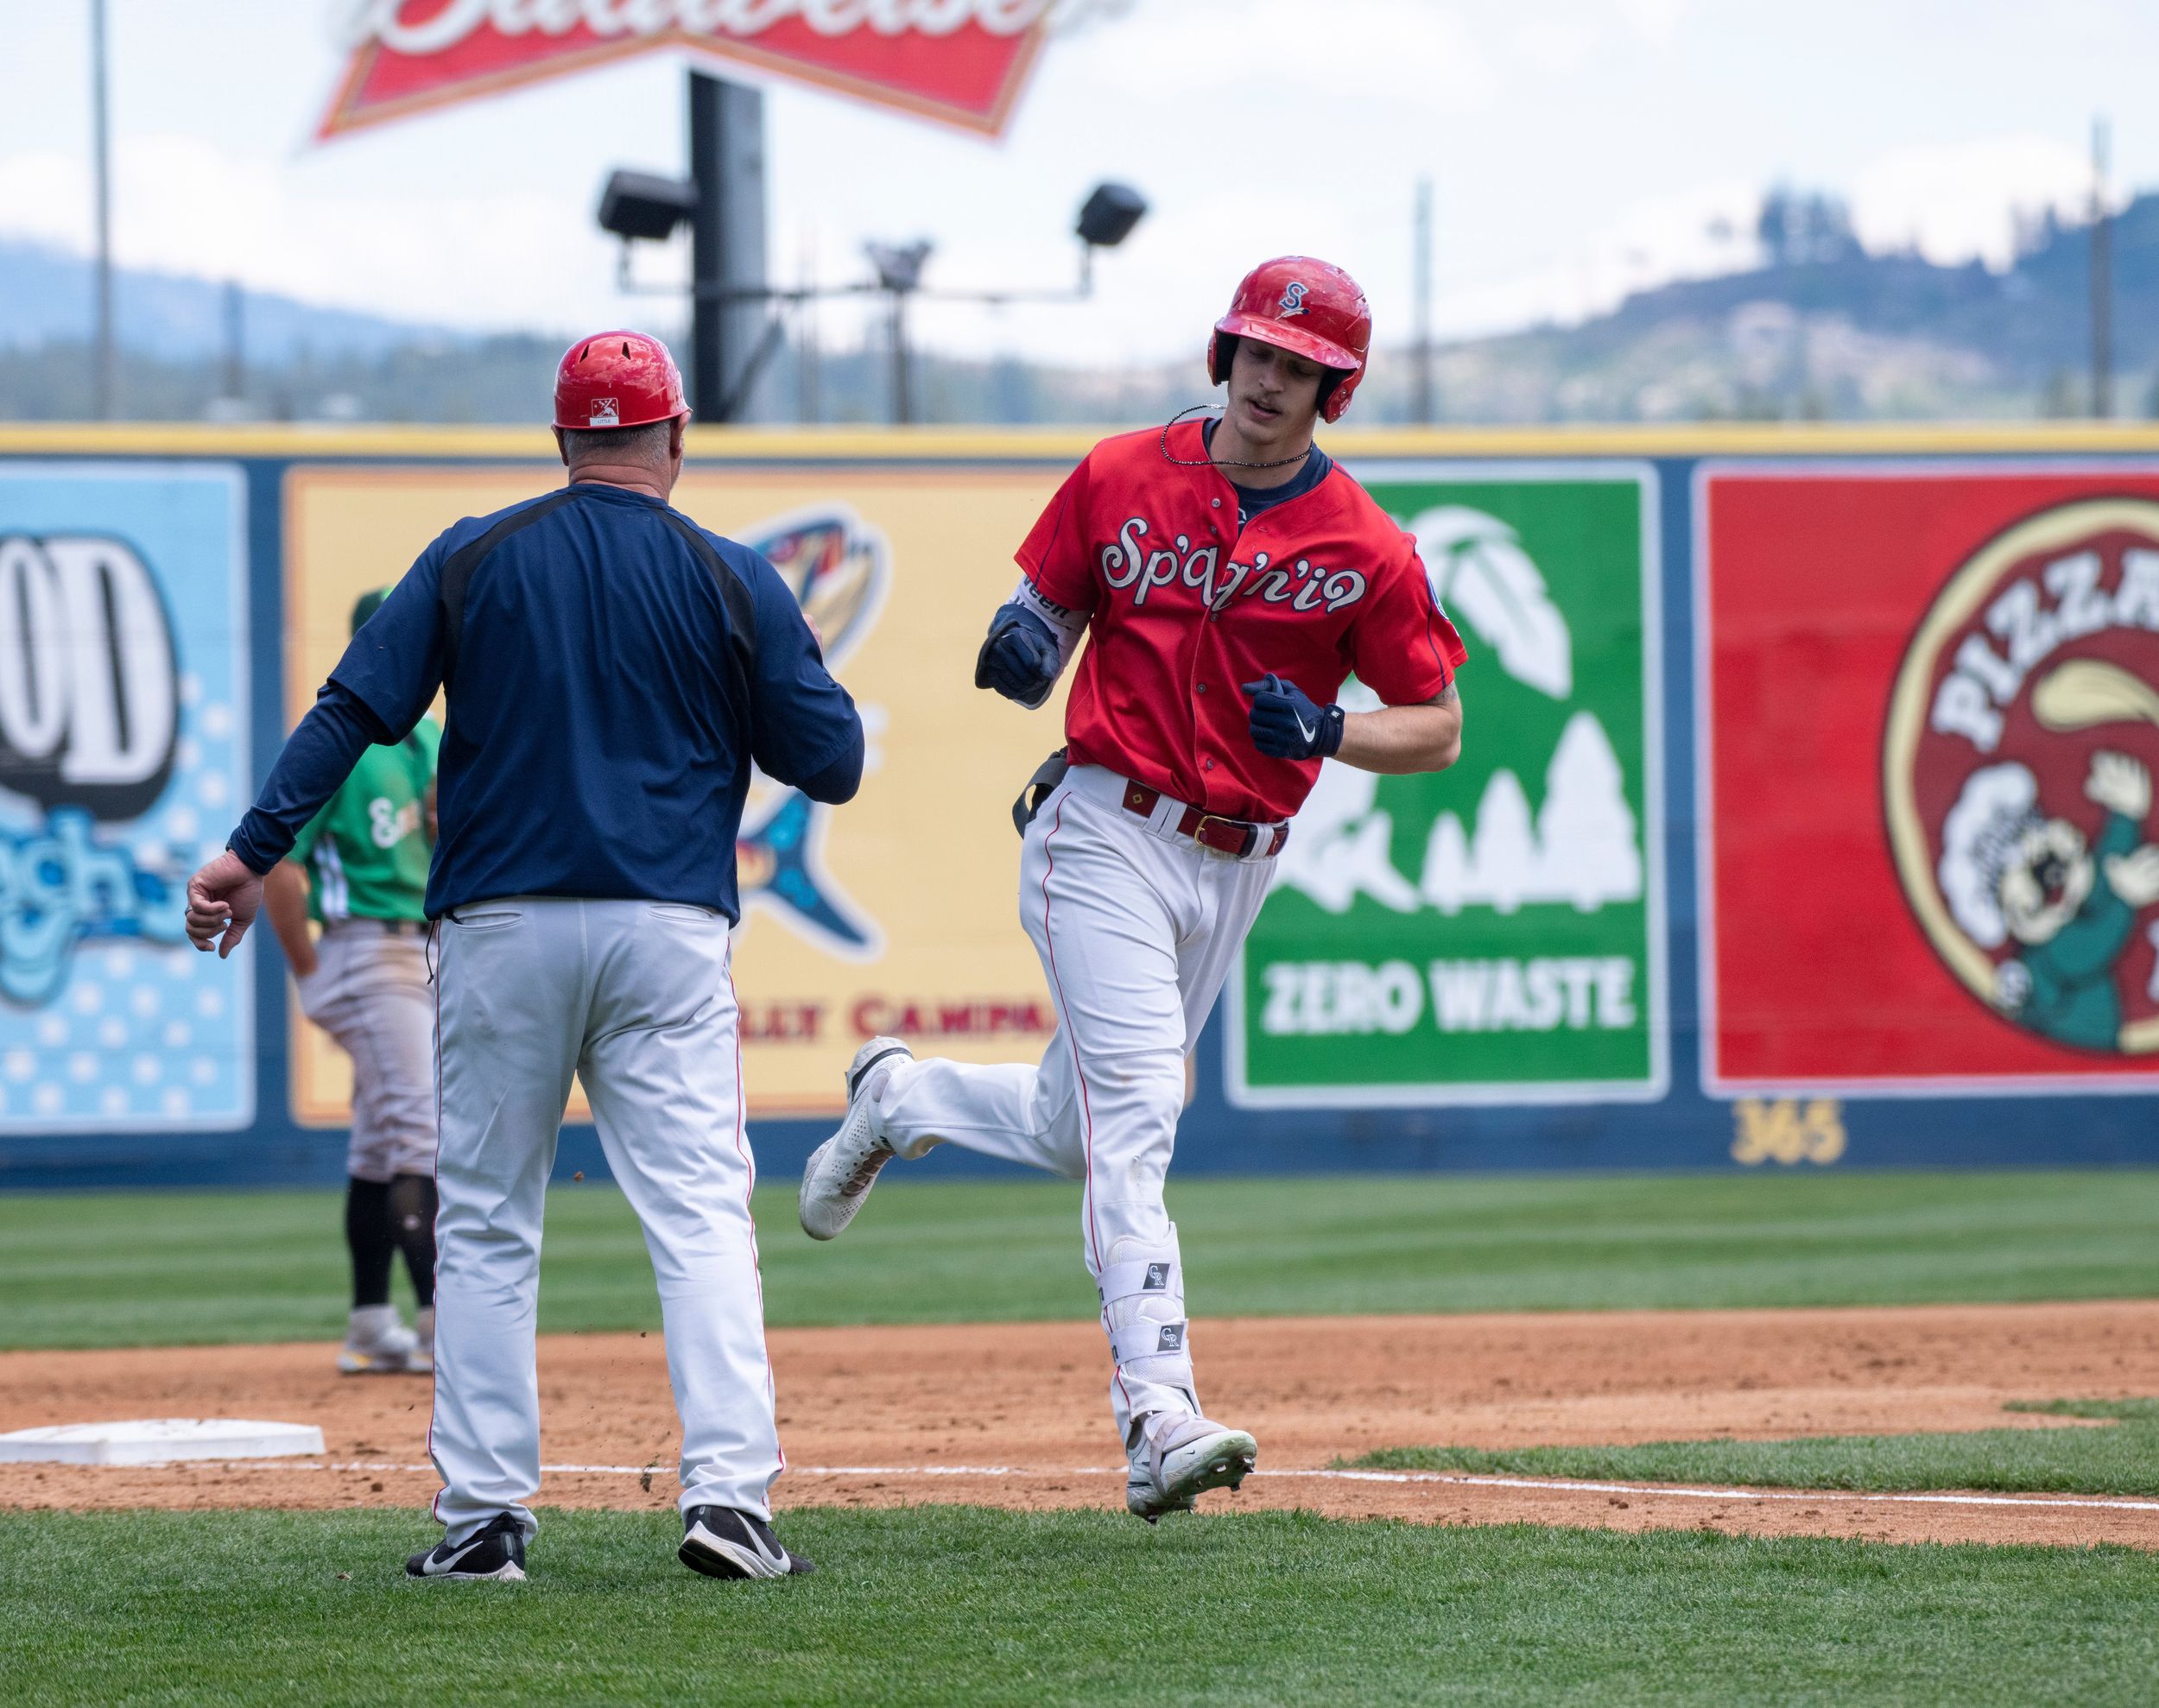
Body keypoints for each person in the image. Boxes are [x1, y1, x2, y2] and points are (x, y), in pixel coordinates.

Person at [186, 331, 863, 1585]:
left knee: (490, 1221)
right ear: (677, 436)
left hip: (498, 926)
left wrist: (247, 849)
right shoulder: (732, 576)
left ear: (561, 440)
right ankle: (729, 1502)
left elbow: (349, 711)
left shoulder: (470, 552)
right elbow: (834, 762)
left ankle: (485, 1517)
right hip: (665, 927)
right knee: (703, 1215)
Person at [798, 257, 1467, 1523]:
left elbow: (1435, 724)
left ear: (1336, 387)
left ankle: (901, 1095)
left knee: (1077, 1125)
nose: (1270, 380)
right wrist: (1022, 645)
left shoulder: (1367, 546)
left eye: (1298, 365)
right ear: (1225, 355)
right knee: (1144, 1107)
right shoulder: (1120, 473)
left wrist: (1327, 730)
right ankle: (1157, 1412)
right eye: (1255, 353)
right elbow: (1043, 614)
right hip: (1101, 827)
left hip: (1239, 861)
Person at [263, 587, 441, 1377]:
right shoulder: (340, 740)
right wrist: (311, 971)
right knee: (421, 1131)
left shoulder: (431, 738)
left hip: (427, 951)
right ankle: (444, 1321)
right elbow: (278, 871)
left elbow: (450, 827)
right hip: (367, 952)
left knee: (380, 1142)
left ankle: (372, 1322)